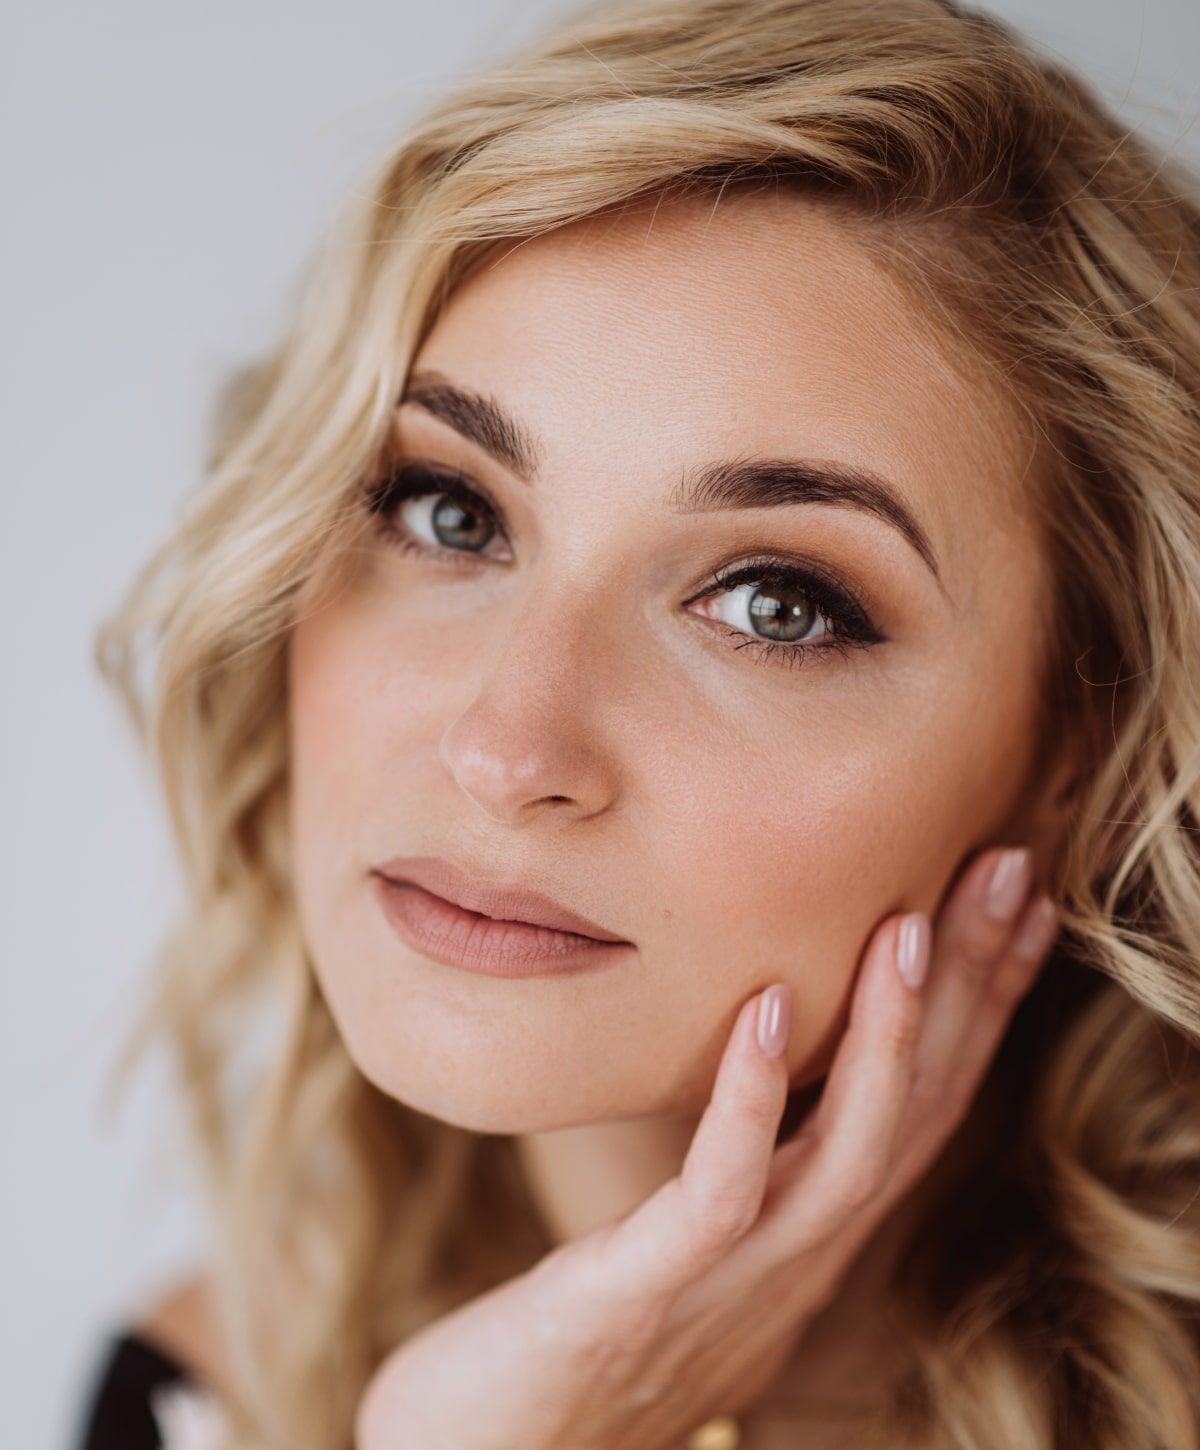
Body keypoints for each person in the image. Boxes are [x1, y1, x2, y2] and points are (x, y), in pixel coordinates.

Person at [71, 0, 1200, 1446]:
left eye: (777, 603)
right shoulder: (209, 1389)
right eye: (451, 510)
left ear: (1076, 756)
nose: (507, 747)